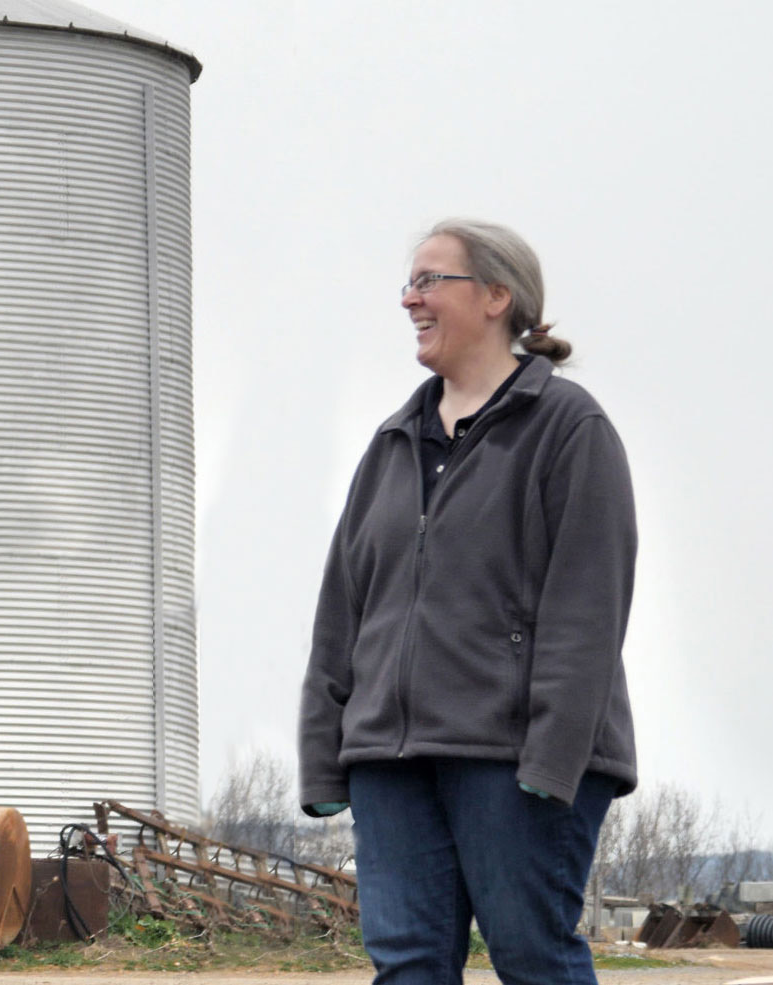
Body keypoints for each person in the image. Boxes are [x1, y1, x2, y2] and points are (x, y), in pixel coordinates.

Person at [297, 219, 637, 984]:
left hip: (512, 759)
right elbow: (340, 616)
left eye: (428, 281)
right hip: (390, 758)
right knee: (408, 966)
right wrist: (326, 757)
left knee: (532, 957)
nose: (409, 299)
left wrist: (552, 761)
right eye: (407, 284)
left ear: (494, 295)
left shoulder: (567, 430)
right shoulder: (391, 444)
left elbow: (587, 611)